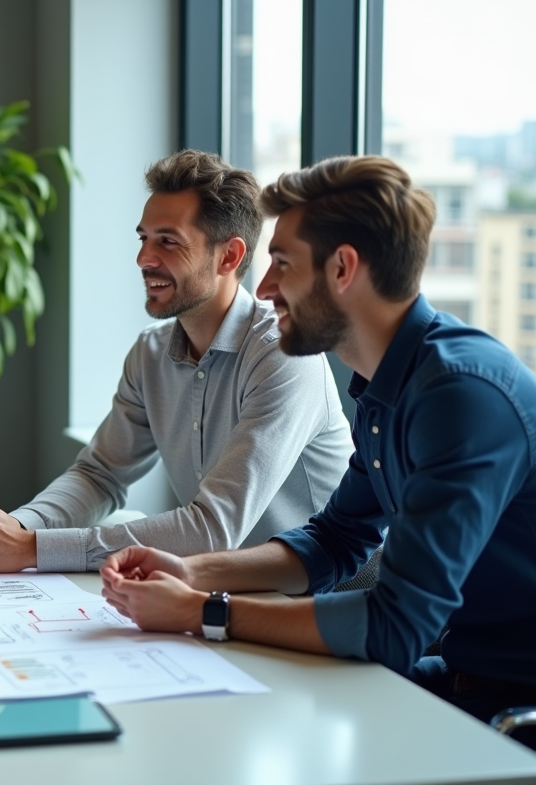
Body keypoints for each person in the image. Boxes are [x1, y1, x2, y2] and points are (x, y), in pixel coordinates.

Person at [101, 155, 536, 750]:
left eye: (281, 263)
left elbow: (393, 627)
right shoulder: (390, 386)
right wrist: (190, 570)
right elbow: (335, 538)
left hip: (511, 706)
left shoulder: (459, 396)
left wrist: (202, 609)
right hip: (462, 681)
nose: (264, 288)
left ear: (342, 269)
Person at [0, 150, 353, 573]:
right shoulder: (152, 353)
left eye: (168, 241)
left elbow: (212, 530)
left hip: (327, 592)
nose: (144, 258)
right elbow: (99, 475)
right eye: (144, 238)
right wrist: (15, 526)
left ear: (229, 257)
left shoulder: (284, 355)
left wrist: (33, 548)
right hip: (224, 587)